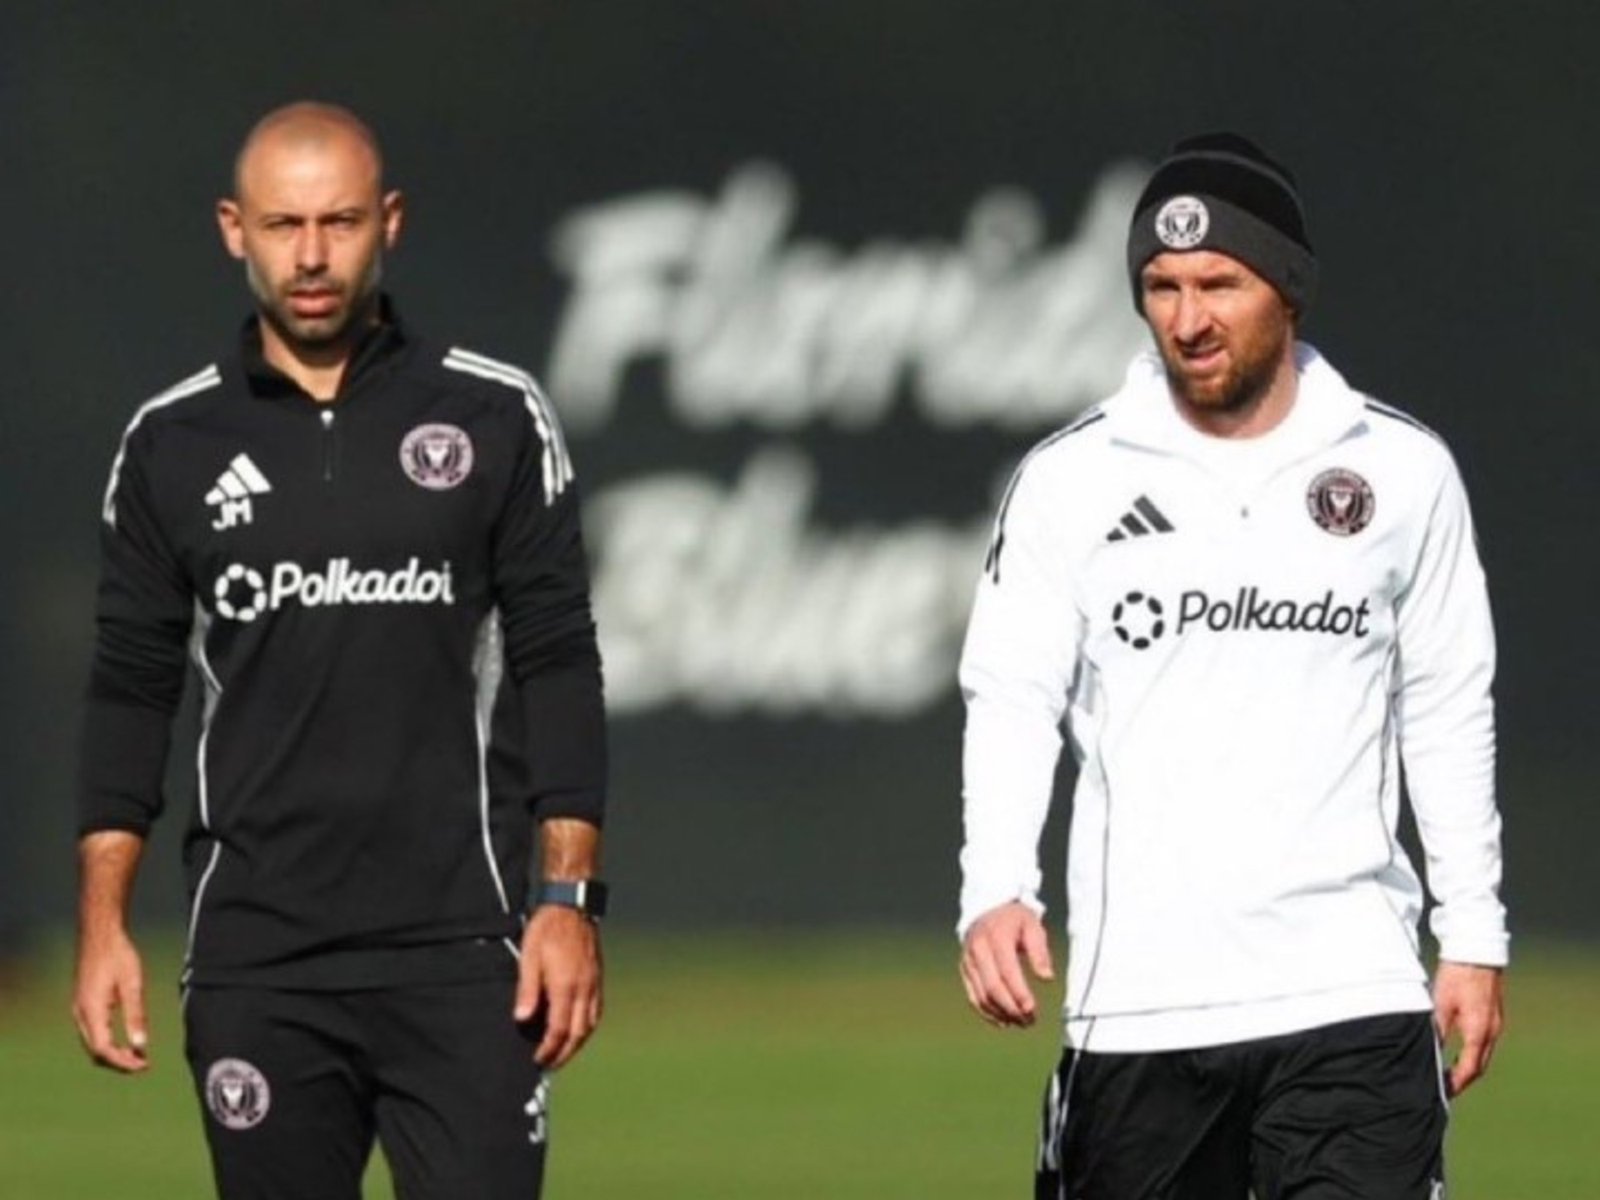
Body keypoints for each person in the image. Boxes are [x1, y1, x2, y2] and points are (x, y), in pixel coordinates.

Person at [72, 101, 610, 1200]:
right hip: (257, 959)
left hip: (466, 955)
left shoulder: (494, 413)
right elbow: (131, 693)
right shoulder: (170, 444)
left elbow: (559, 663)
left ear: (390, 222)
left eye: (340, 221)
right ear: (233, 228)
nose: (311, 256)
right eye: (282, 225)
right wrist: (102, 926)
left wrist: (568, 906)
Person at [956, 132, 1507, 1199]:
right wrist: (994, 888)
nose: (1186, 316)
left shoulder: (1401, 472)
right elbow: (1011, 694)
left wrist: (1473, 931)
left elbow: (1446, 701)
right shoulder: (1070, 479)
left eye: (1219, 281)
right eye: (1159, 286)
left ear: (1287, 290)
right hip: (1142, 1009)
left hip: (1350, 993)